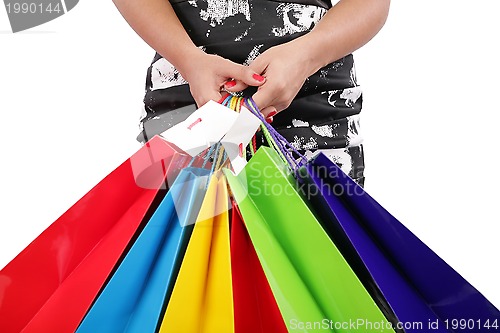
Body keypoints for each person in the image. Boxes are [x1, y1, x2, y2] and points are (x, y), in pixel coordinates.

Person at [112, 0, 390, 187]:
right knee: (181, 265)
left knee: (318, 262)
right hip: (188, 103)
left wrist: (306, 56)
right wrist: (188, 60)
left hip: (311, 108)